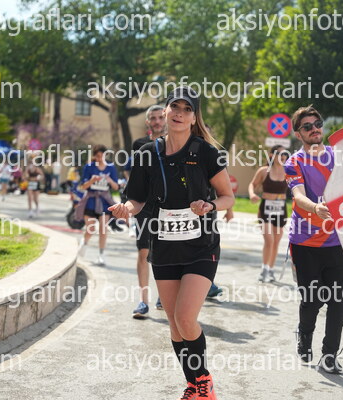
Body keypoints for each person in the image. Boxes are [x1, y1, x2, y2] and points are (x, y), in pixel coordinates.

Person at [110, 86, 234, 400]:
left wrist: (210, 205)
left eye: (186, 109)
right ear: (164, 112)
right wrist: (127, 208)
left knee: (185, 318)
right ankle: (194, 385)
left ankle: (204, 382)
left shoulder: (206, 152)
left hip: (201, 246)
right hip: (164, 246)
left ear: (194, 117)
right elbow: (137, 198)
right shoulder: (146, 153)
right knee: (174, 325)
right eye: (174, 107)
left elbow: (227, 197)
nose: (179, 113)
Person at [284, 105, 343, 374]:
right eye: (307, 126)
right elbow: (298, 195)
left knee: (338, 301)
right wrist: (315, 207)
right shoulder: (294, 162)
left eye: (318, 123)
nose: (314, 129)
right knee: (312, 299)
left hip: (338, 241)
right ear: (298, 134)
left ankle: (329, 354)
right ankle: (304, 333)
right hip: (305, 243)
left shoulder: (339, 156)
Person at [127, 105, 166, 319]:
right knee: (143, 251)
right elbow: (136, 176)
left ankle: (163, 296)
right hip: (144, 205)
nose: (157, 121)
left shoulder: (174, 143)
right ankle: (143, 301)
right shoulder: (139, 145)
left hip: (167, 207)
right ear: (148, 122)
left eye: (161, 117)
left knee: (163, 252)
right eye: (153, 118)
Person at [248, 145, 289, 282]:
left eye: (285, 154)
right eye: (279, 154)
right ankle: (264, 269)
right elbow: (252, 184)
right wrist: (252, 194)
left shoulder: (288, 170)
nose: (283, 156)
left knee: (276, 241)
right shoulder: (264, 171)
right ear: (271, 155)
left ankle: (270, 269)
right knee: (269, 240)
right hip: (266, 208)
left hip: (281, 208)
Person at [75, 145, 119, 265]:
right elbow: (83, 186)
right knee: (90, 229)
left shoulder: (111, 168)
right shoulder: (89, 167)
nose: (100, 158)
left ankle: (101, 255)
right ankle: (84, 243)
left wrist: (109, 180)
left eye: (102, 156)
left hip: (104, 201)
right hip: (91, 200)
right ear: (94, 156)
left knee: (103, 229)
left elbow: (116, 187)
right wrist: (92, 180)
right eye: (97, 156)